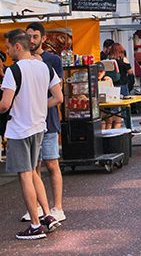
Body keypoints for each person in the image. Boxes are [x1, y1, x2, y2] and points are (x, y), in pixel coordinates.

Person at [0, 29, 63, 240]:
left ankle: (35, 225)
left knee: (25, 175)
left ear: (17, 46)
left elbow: (5, 104)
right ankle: (48, 215)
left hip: (19, 129)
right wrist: (39, 106)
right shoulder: (45, 67)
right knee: (34, 173)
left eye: (8, 47)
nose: (7, 51)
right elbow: (58, 97)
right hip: (39, 126)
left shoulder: (13, 70)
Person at [18, 23, 65, 226]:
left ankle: (58, 207)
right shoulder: (21, 61)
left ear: (43, 39)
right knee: (33, 166)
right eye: (28, 36)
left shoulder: (52, 60)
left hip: (48, 119)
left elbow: (58, 90)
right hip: (30, 123)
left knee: (52, 163)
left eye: (35, 36)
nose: (32, 40)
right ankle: (36, 207)